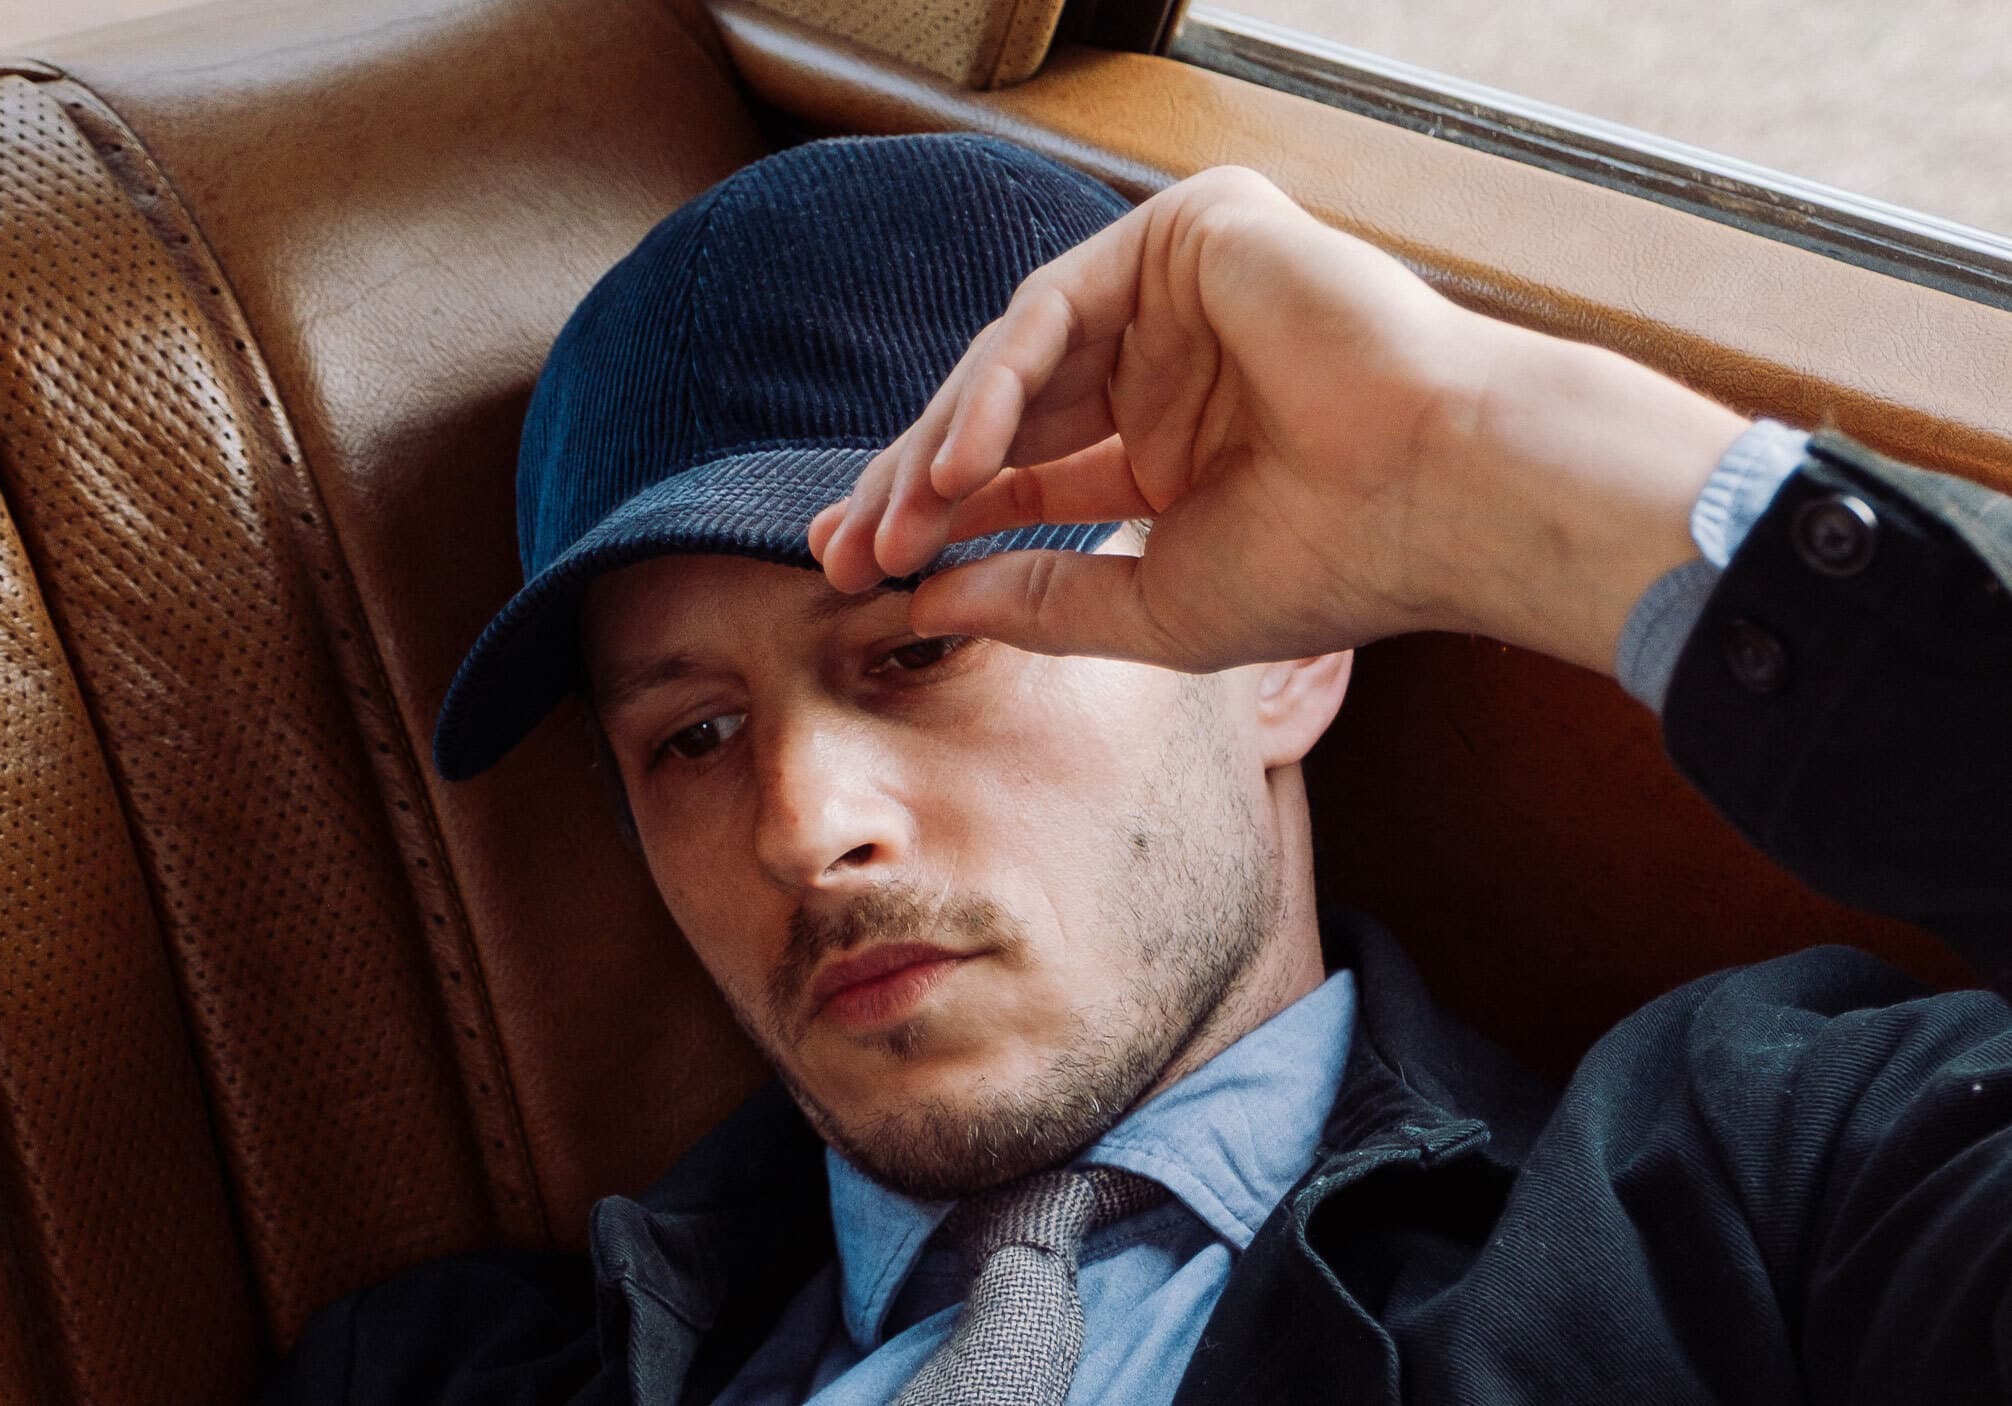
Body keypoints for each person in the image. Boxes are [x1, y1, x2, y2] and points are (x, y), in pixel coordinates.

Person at [262, 133, 2012, 1405]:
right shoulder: (430, 1373)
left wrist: (1519, 476)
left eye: (919, 649)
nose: (802, 826)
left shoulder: (1765, 1194)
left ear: (1282, 655)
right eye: (692, 737)